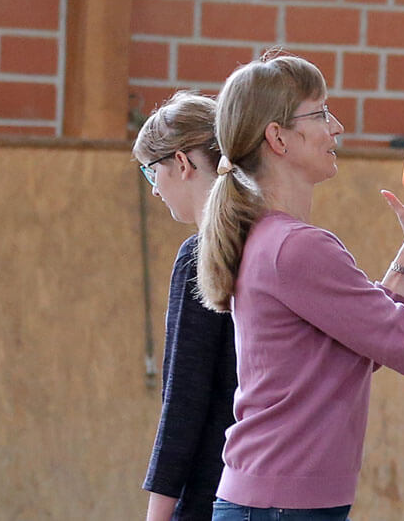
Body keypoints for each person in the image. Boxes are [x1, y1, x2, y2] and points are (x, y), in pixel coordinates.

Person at [196, 51, 404, 520]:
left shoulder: (276, 240)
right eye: (320, 114)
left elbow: (364, 344)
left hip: (275, 502)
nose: (336, 129)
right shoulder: (297, 248)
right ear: (278, 137)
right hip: (280, 507)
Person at [136, 91, 238, 521]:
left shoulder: (202, 255)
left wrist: (158, 512)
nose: (155, 189)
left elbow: (184, 398)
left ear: (181, 163)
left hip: (209, 488)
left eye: (151, 171)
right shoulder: (274, 240)